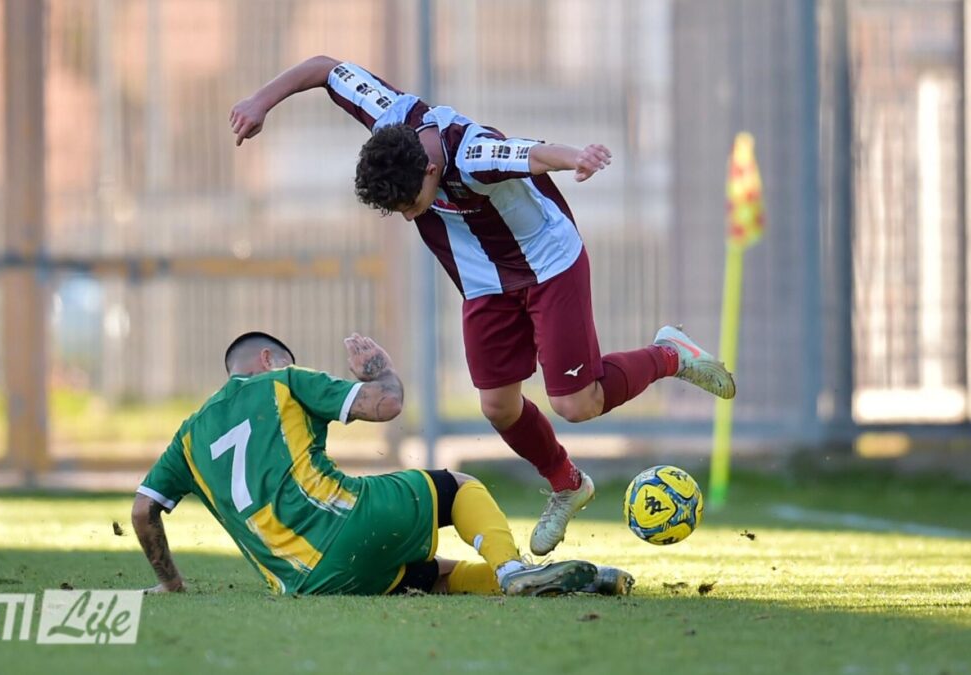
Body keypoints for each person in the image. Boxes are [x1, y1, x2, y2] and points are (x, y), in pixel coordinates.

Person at [229, 56, 736, 555]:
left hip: (548, 265)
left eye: (410, 204)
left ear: (430, 170)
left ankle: (670, 354)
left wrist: (578, 157)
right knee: (497, 406)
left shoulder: (474, 154)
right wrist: (260, 101)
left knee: (576, 404)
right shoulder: (392, 122)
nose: (409, 218)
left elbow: (535, 155)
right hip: (483, 283)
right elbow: (324, 68)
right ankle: (567, 483)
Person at [132, 331, 634, 597]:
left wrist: (171, 582)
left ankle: (581, 580)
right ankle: (510, 569)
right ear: (267, 359)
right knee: (456, 487)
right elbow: (386, 404)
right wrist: (381, 369)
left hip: (306, 584)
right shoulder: (282, 380)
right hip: (348, 523)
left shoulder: (189, 438)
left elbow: (142, 511)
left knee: (433, 575)